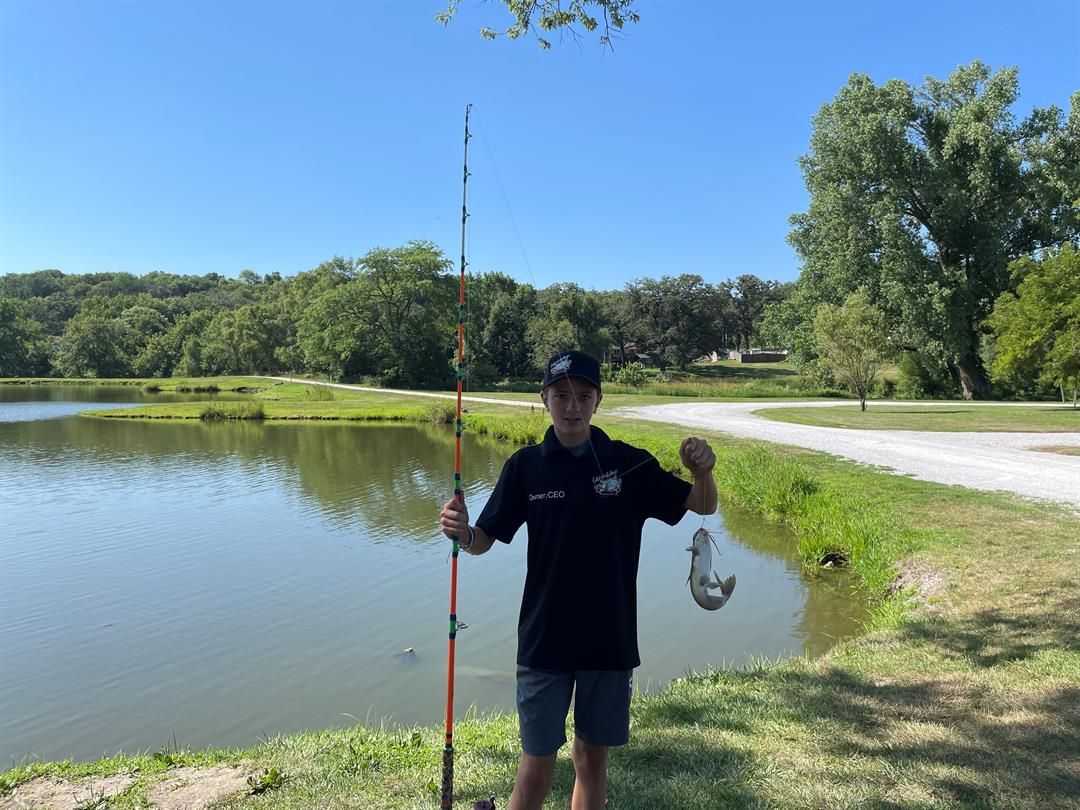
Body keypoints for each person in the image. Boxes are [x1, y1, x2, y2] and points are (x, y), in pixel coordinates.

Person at [440, 350, 717, 810]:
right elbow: (485, 538)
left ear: (598, 401)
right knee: (536, 767)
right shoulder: (525, 466)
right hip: (544, 640)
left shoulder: (629, 463)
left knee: (591, 761)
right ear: (544, 399)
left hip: (609, 640)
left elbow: (702, 506)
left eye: (583, 396)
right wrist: (463, 531)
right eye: (562, 395)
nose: (572, 406)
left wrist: (702, 472)